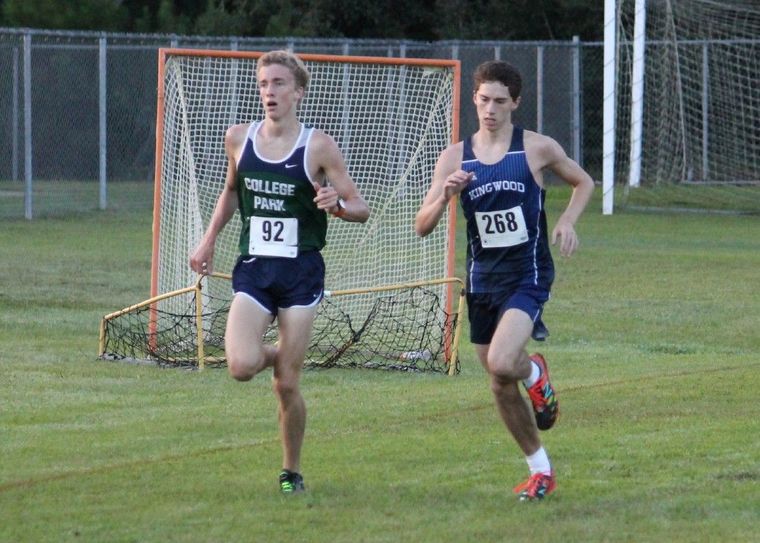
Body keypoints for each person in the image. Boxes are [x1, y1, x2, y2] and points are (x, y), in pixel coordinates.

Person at [189, 50, 370, 494]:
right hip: (254, 268)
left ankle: (291, 471)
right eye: (264, 84)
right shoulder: (238, 139)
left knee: (286, 384)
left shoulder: (318, 145)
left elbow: (360, 208)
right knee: (240, 364)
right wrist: (208, 239)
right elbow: (231, 192)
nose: (270, 91)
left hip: (301, 272)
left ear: (298, 93)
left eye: (279, 84)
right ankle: (279, 350)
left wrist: (338, 207)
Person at [415, 60, 594, 501]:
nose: (490, 109)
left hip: (526, 276)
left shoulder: (535, 148)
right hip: (481, 282)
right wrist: (445, 195)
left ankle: (532, 371)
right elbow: (422, 225)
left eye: (499, 101)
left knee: (500, 362)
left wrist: (568, 221)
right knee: (498, 380)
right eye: (482, 100)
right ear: (473, 100)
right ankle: (540, 469)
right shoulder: (454, 157)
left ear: (515, 102)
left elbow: (583, 181)